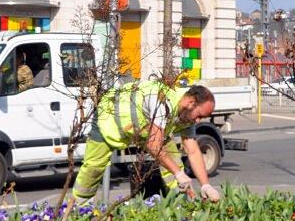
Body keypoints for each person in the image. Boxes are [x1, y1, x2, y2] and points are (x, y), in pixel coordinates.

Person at [72, 80, 221, 203]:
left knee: (173, 159)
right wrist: (178, 173)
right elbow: (153, 145)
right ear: (191, 102)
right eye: (199, 115)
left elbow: (193, 151)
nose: (198, 121)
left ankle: (181, 204)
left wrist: (205, 185)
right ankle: (79, 208)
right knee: (93, 168)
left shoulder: (187, 114)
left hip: (144, 128)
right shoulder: (163, 102)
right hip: (109, 118)